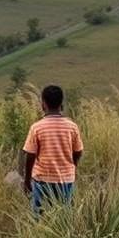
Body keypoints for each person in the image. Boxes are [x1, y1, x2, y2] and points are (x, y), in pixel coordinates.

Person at [22, 84, 84, 217]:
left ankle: (40, 236)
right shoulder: (72, 127)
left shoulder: (37, 128)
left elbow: (30, 155)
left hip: (42, 179)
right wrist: (72, 165)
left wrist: (27, 181)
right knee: (64, 214)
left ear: (43, 104)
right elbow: (78, 151)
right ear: (61, 104)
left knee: (39, 215)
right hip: (66, 179)